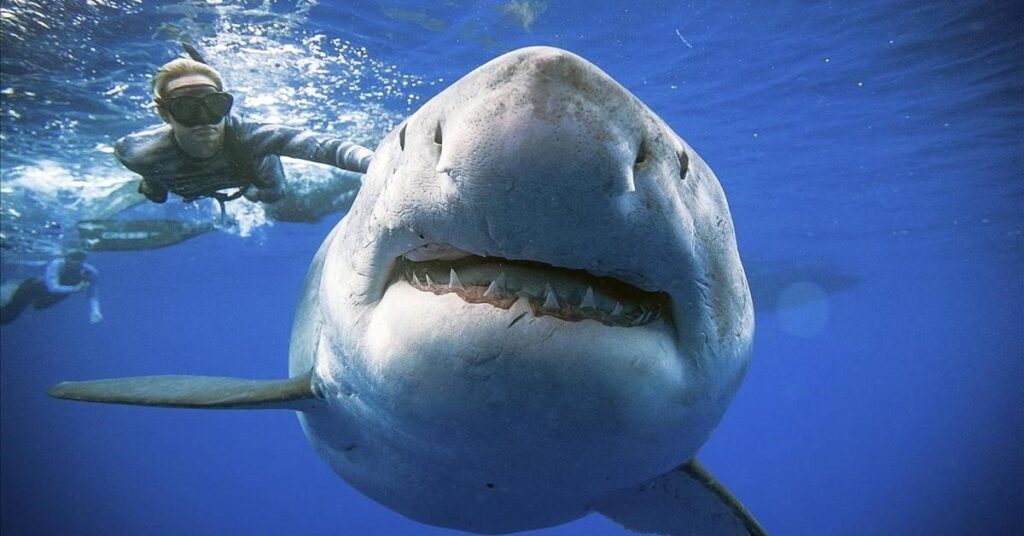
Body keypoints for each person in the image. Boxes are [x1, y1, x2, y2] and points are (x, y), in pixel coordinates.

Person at [113, 57, 373, 211]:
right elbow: (151, 176)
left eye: (214, 105)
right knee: (156, 195)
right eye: (186, 108)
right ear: (164, 114)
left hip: (253, 175)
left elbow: (328, 148)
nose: (204, 120)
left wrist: (376, 163)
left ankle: (251, 189)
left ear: (226, 105)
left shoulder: (251, 136)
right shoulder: (136, 153)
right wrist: (152, 184)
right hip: (181, 181)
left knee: (270, 197)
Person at [0, 249, 102, 325]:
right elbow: (52, 287)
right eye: (73, 257)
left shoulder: (91, 272)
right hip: (34, 288)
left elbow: (92, 294)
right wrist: (74, 289)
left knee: (39, 306)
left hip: (53, 297)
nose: (77, 261)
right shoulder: (57, 264)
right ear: (65, 257)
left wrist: (95, 311)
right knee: (8, 316)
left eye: (81, 258)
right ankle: (12, 287)